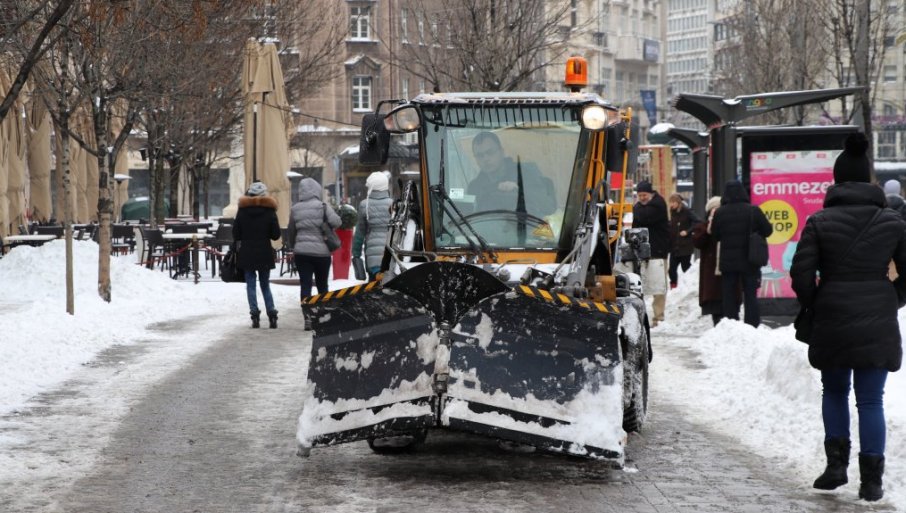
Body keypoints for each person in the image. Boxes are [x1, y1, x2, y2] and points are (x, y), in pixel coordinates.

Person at [790, 133, 906, 502]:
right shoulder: (892, 222)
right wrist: (891, 298)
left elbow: (800, 274)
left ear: (836, 181)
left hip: (833, 314)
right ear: (870, 181)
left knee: (835, 390)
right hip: (878, 315)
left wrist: (815, 302)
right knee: (871, 400)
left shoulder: (819, 220)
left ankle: (836, 466)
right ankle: (872, 480)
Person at [709, 180, 772, 327]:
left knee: (729, 294)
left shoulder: (720, 212)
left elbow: (715, 235)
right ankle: (751, 323)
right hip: (750, 259)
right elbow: (768, 230)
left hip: (728, 260)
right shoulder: (753, 210)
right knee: (750, 293)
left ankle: (732, 322)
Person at [288, 177, 341, 329]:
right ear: (317, 190)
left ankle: (308, 318)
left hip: (302, 253)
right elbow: (337, 222)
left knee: (305, 285)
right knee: (322, 285)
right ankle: (323, 317)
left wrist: (294, 246)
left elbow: (291, 231)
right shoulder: (323, 206)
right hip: (322, 254)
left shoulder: (295, 209)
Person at [466, 131, 556, 217]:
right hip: (487, 231)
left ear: (501, 152)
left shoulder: (525, 174)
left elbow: (548, 207)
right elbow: (468, 220)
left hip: (523, 229)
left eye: (490, 152)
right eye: (480, 155)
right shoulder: (474, 187)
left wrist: (519, 190)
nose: (486, 159)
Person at [232, 181, 281, 329]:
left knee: (251, 285)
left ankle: (254, 315)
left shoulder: (242, 211)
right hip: (264, 252)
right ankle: (271, 313)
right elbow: (275, 235)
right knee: (265, 284)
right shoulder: (270, 211)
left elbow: (236, 233)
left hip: (247, 252)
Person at [632, 180, 670, 326]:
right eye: (640, 195)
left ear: (651, 194)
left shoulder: (658, 204)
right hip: (643, 252)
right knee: (641, 284)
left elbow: (643, 216)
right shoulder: (642, 207)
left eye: (644, 195)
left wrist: (636, 208)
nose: (642, 198)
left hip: (658, 251)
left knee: (658, 285)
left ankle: (658, 317)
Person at [691, 196, 728, 325]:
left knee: (725, 298)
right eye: (714, 210)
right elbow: (697, 242)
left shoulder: (729, 224)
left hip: (725, 267)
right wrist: (709, 226)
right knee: (714, 300)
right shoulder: (703, 226)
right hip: (710, 269)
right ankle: (716, 323)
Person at [352, 171, 393, 280]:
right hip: (391, 256)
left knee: (373, 288)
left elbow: (360, 233)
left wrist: (356, 253)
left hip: (372, 257)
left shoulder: (364, 205)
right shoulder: (393, 204)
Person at [667, 193, 699, 289]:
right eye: (670, 202)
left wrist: (688, 231)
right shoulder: (672, 212)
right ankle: (674, 286)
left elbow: (697, 221)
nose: (671, 204)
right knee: (671, 270)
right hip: (674, 247)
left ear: (678, 202)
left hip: (685, 246)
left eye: (673, 202)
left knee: (686, 268)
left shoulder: (687, 211)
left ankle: (691, 285)